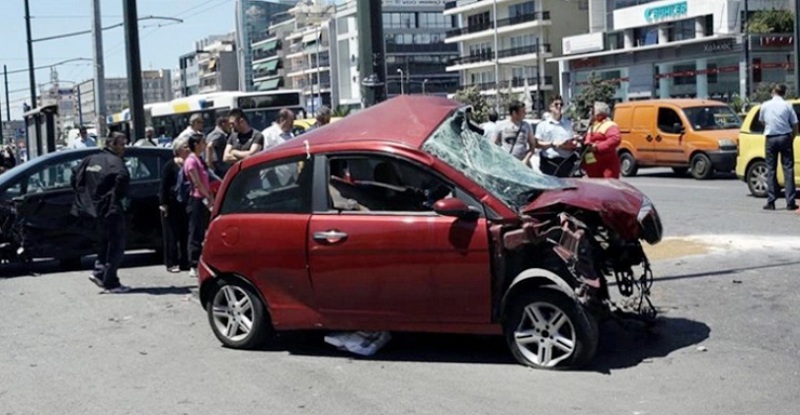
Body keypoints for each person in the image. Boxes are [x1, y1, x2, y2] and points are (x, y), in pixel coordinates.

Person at [70, 132, 131, 293]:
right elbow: (123, 180)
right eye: (121, 144)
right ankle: (110, 282)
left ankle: (100, 273)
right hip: (110, 209)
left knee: (104, 243)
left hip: (93, 210)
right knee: (115, 245)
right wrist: (114, 198)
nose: (124, 148)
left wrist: (85, 197)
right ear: (112, 144)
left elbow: (75, 177)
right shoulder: (116, 163)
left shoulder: (90, 159)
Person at [759, 83, 798, 211]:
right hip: (785, 137)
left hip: (770, 138)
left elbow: (762, 121)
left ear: (773, 92)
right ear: (784, 93)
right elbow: (795, 123)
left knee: (771, 169)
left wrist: (770, 127)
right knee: (788, 169)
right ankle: (790, 202)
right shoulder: (787, 105)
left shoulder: (765, 105)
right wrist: (792, 136)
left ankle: (771, 201)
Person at [183, 133, 215, 279]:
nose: (204, 144)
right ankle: (193, 263)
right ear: (196, 144)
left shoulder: (200, 159)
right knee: (195, 231)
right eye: (202, 142)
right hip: (196, 199)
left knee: (204, 230)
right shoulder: (191, 161)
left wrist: (211, 197)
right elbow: (197, 182)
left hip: (205, 197)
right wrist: (206, 196)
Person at [159, 137, 190, 273]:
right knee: (171, 234)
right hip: (171, 203)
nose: (188, 149)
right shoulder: (170, 165)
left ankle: (185, 261)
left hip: (185, 203)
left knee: (185, 232)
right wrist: (163, 203)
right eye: (185, 147)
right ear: (178, 150)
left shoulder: (189, 164)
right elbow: (163, 185)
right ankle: (171, 262)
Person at [535, 96, 581, 176]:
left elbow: (574, 142)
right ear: (550, 107)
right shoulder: (542, 125)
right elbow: (537, 144)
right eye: (556, 104)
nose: (559, 106)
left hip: (567, 163)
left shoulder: (569, 123)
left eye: (561, 104)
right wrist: (553, 144)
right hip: (549, 164)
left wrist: (570, 144)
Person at [583, 101, 622, 179]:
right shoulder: (593, 125)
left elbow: (615, 139)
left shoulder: (609, 125)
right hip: (592, 163)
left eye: (592, 111)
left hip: (606, 165)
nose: (590, 113)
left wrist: (597, 147)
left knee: (607, 185)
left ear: (600, 114)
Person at [493, 100, 536, 165]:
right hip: (506, 163)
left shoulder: (527, 126)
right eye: (522, 111)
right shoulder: (501, 126)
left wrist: (526, 159)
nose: (525, 113)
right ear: (514, 113)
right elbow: (493, 145)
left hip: (522, 163)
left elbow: (532, 146)